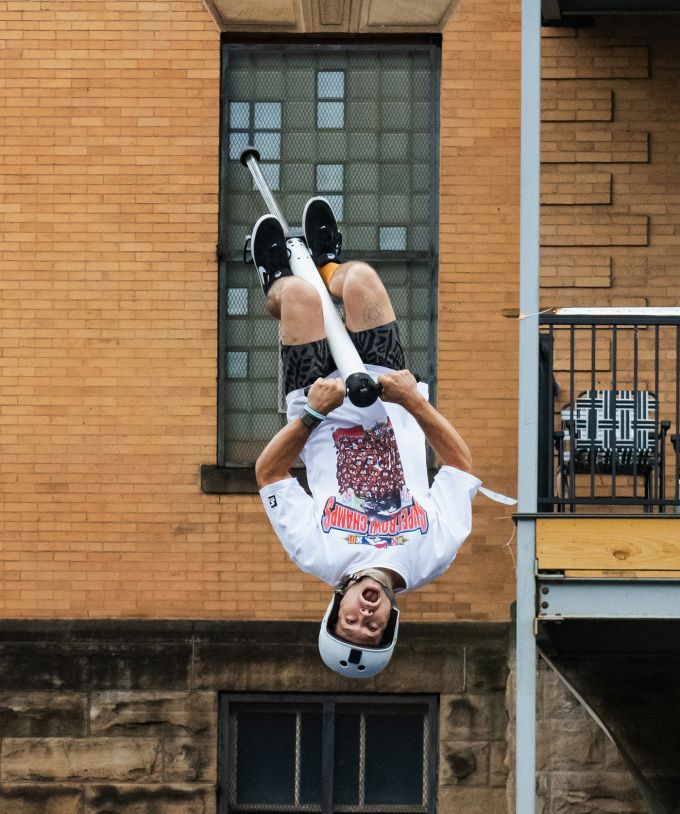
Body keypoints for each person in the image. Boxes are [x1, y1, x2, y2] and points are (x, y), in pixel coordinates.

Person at [250, 197, 481, 678]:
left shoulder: (316, 552)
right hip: (387, 389)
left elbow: (268, 473)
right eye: (371, 629)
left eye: (349, 621)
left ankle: (271, 279)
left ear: (338, 604)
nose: (364, 616)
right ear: (391, 621)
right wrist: (413, 401)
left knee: (297, 296)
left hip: (320, 401)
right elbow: (460, 466)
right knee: (359, 282)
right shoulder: (434, 554)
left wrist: (314, 412)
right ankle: (328, 262)